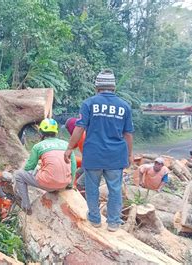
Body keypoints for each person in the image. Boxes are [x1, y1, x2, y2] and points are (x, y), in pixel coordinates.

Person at [64, 69, 134, 232]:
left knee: (92, 188)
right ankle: (113, 222)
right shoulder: (124, 106)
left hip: (93, 155)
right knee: (115, 190)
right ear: (113, 88)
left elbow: (79, 128)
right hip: (116, 157)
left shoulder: (89, 104)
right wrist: (130, 154)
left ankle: (95, 219)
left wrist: (69, 148)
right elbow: (128, 134)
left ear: (97, 87)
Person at [14, 118, 76, 215]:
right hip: (64, 184)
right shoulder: (66, 144)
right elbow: (73, 166)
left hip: (48, 183)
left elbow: (29, 167)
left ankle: (26, 207)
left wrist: (30, 171)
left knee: (19, 175)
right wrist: (70, 184)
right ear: (56, 132)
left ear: (41, 132)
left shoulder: (38, 146)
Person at [65, 117, 86, 190]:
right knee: (76, 175)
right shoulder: (82, 134)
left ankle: (84, 200)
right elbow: (71, 146)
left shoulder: (83, 137)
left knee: (80, 184)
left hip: (95, 164)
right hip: (89, 162)